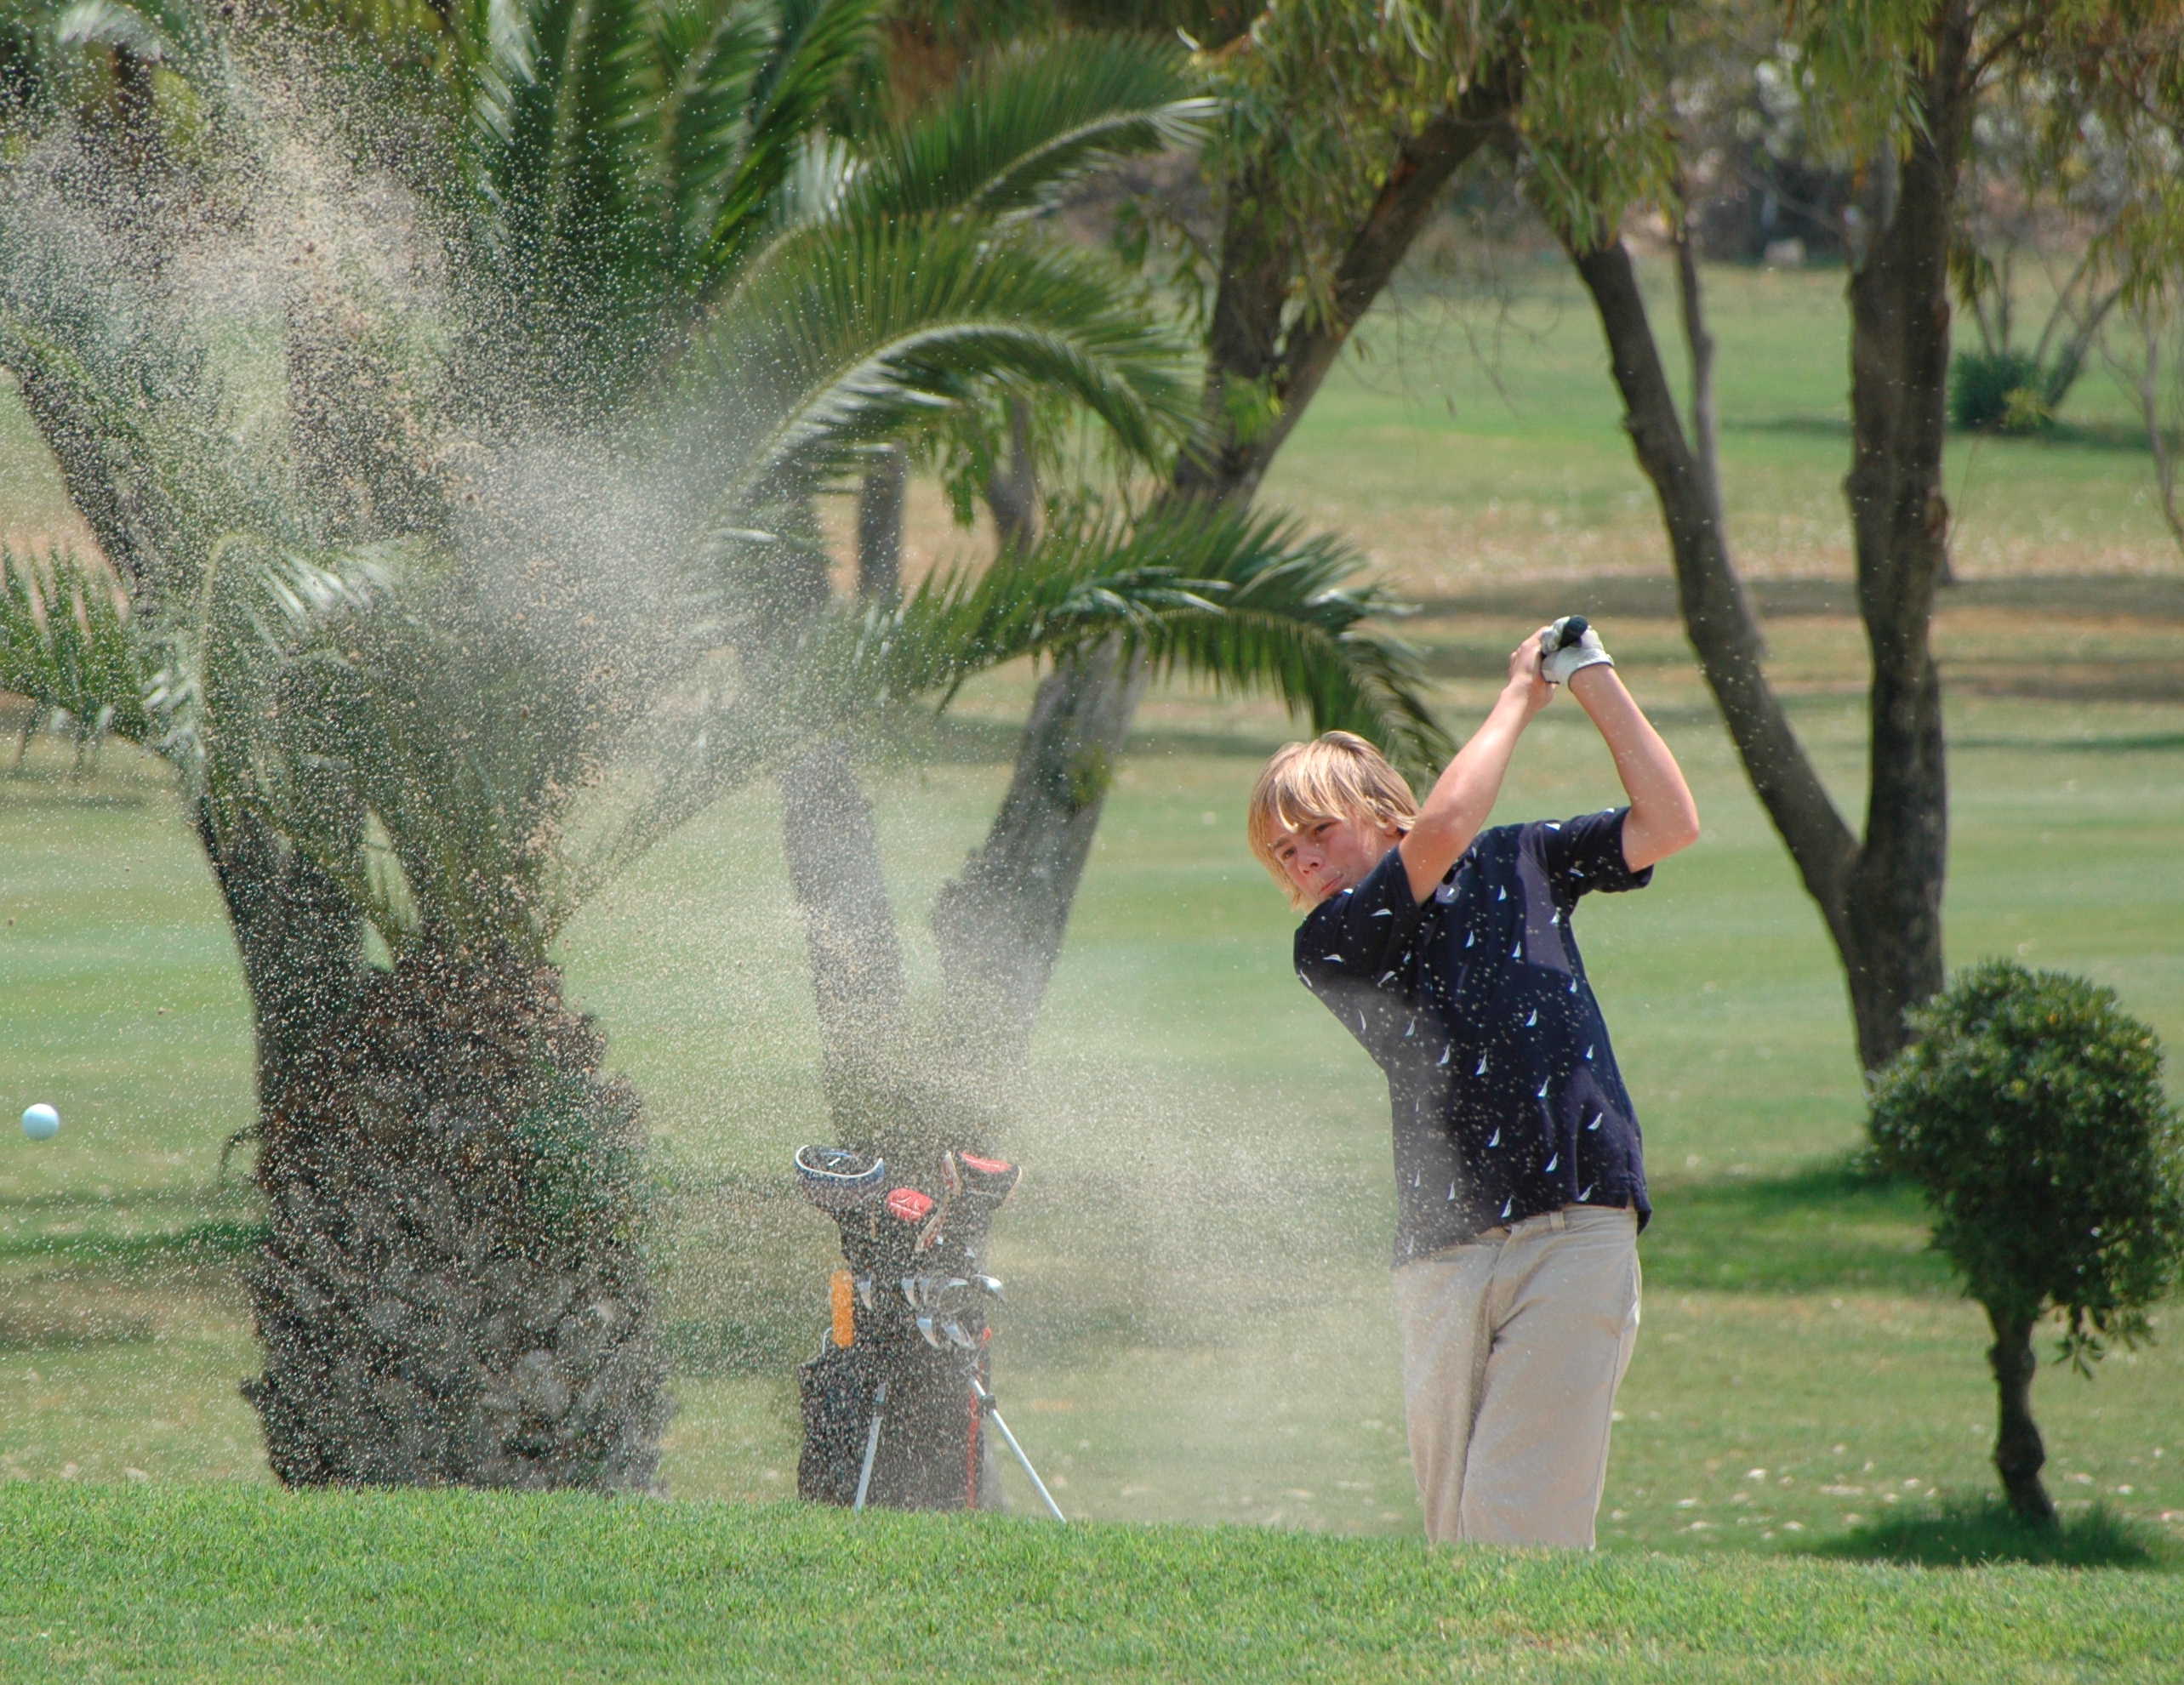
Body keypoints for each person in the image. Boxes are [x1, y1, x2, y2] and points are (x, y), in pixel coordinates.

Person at [1245, 618, 1698, 1548]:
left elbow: (1669, 823)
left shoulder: (1520, 859)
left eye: (1318, 830)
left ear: (1380, 805)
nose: (1304, 861)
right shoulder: (1329, 943)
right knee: (1453, 1531)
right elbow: (1445, 828)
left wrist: (1589, 675)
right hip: (1440, 1253)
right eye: (1283, 854)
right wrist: (1518, 695)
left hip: (1576, 1222)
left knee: (1515, 1519)